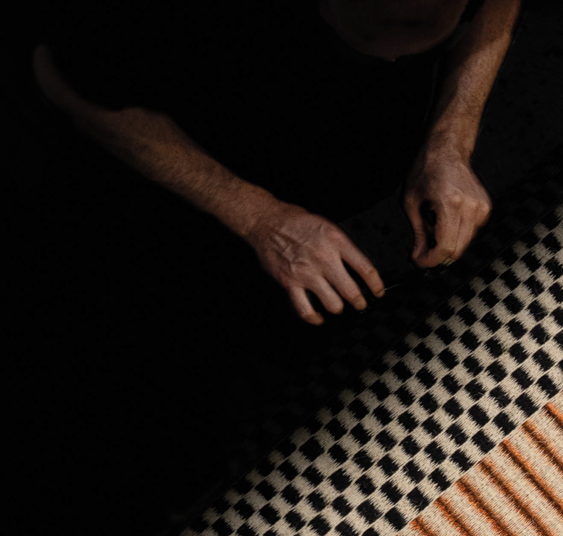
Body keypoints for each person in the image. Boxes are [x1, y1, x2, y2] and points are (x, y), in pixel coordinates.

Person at [33, 0, 523, 325]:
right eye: (386, 31)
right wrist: (258, 217)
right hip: (173, 196)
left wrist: (450, 140)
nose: (395, 61)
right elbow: (66, 83)